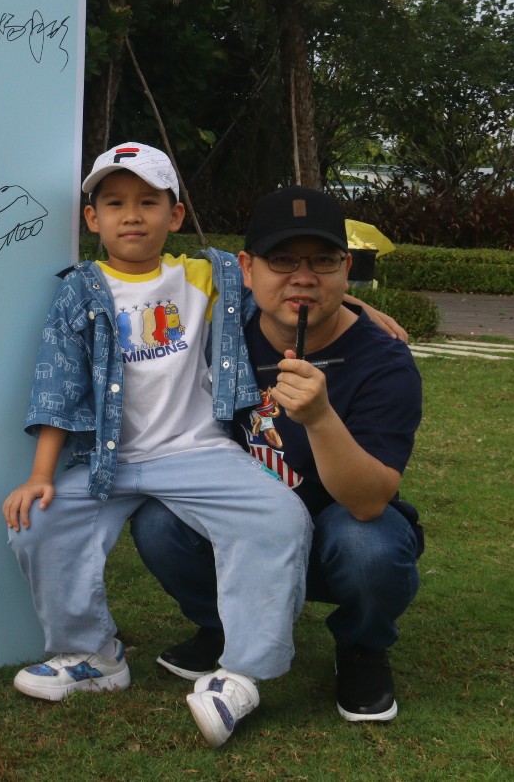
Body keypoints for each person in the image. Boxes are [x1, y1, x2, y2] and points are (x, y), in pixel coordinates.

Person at [2, 143, 312, 748]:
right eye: (114, 203)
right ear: (92, 218)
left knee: (280, 517)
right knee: (38, 521)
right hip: (108, 464)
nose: (132, 215)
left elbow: (283, 292)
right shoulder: (81, 291)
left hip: (197, 452)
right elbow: (58, 383)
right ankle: (93, 657)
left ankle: (242, 674)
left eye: (148, 202)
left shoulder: (207, 276)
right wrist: (41, 474)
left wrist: (353, 304)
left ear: (175, 214)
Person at [130, 185, 423, 724]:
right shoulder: (219, 335)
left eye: (323, 262)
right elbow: (137, 282)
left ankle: (361, 646)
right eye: (282, 260)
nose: (303, 277)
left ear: (346, 268)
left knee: (370, 546)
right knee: (158, 523)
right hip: (243, 530)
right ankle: (221, 626)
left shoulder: (384, 361)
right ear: (247, 268)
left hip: (337, 533)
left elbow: (370, 500)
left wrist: (320, 418)